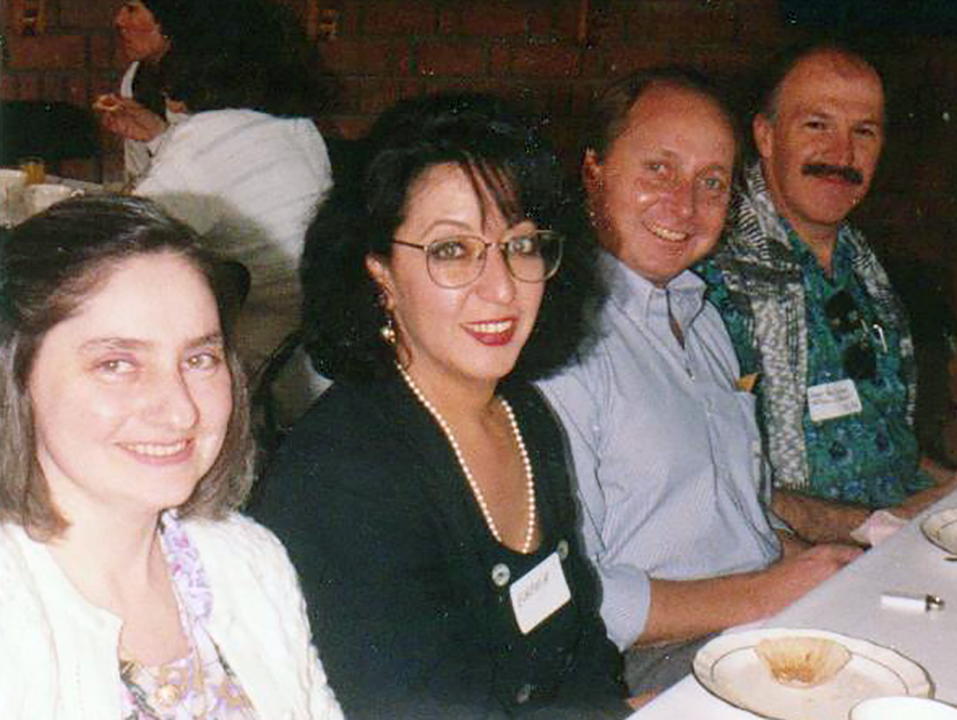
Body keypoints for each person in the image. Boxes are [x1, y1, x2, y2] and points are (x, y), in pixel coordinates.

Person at [253, 93, 632, 718]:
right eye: (452, 250)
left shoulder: (524, 416)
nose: (502, 288)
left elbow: (580, 643)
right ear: (379, 272)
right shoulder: (345, 476)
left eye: (522, 244)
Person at [536, 68, 861, 695]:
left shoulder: (699, 315)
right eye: (659, 169)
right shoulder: (557, 338)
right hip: (652, 658)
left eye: (711, 182)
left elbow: (737, 520)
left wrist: (843, 562)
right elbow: (575, 596)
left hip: (757, 618)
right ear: (594, 171)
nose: (684, 206)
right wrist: (767, 592)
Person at [0, 196, 343, 718]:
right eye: (117, 364)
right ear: (15, 378)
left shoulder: (246, 562)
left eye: (199, 359)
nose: (181, 410)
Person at [699, 43, 957, 544]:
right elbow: (713, 486)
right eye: (818, 125)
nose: (843, 155)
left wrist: (942, 495)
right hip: (801, 555)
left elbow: (889, 443)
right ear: (766, 136)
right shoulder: (709, 277)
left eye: (864, 131)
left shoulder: (864, 269)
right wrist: (888, 525)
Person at [131, 0, 333, 418]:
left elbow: (121, 241)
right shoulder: (297, 128)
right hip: (304, 352)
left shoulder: (208, 136)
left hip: (254, 363)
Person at [96, 0, 184, 186]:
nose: (119, 20)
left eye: (132, 9)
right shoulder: (134, 77)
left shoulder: (206, 86)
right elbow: (137, 176)